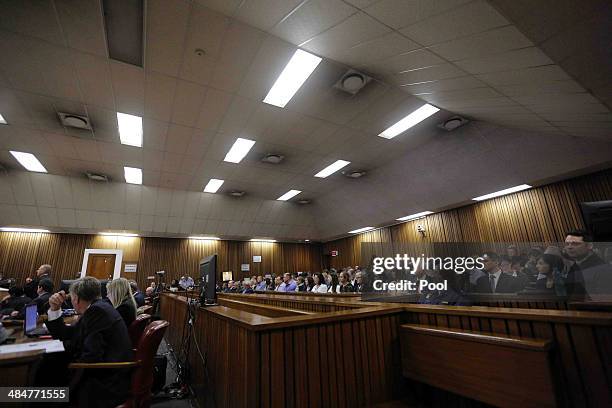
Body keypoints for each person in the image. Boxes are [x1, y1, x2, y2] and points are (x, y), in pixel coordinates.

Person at [46, 277, 133, 407]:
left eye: (73, 298)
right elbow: (67, 334)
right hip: (111, 375)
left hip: (104, 384)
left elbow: (91, 356)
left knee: (45, 379)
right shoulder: (99, 308)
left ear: (76, 299)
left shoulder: (97, 312)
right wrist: (54, 309)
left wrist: (68, 367)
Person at [564, 230, 606, 297]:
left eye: (575, 244)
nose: (569, 247)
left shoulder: (602, 268)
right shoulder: (574, 266)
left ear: (589, 246)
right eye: (567, 244)